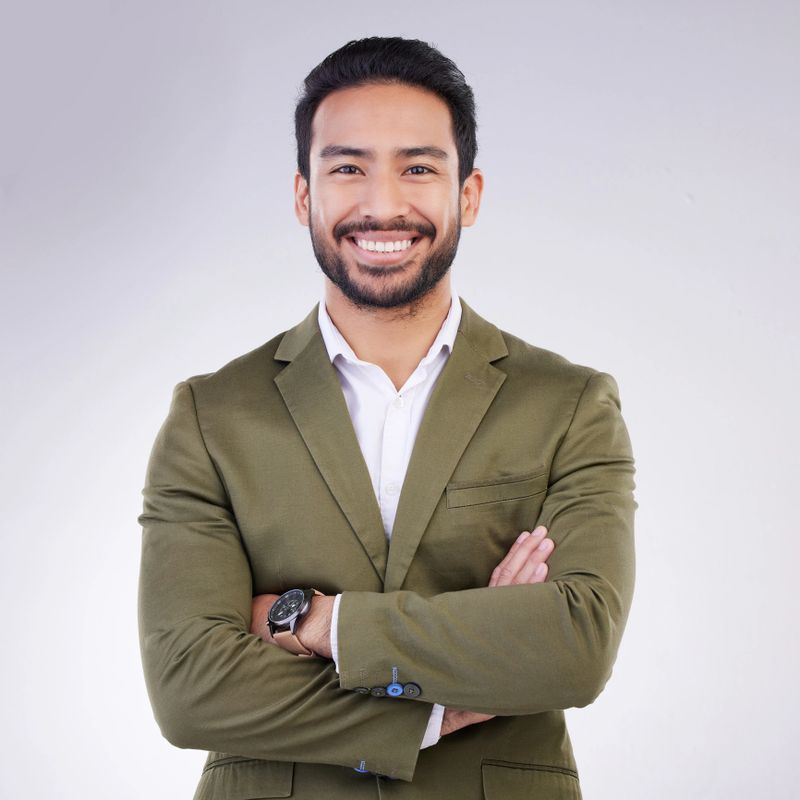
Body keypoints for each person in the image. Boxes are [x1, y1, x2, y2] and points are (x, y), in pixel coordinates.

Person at [138, 36, 636, 800]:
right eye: (347, 168)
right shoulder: (211, 416)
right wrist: (438, 701)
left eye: (418, 168)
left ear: (468, 194)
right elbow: (189, 687)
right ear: (303, 196)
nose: (382, 204)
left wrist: (316, 622)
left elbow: (576, 646)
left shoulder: (569, 405)